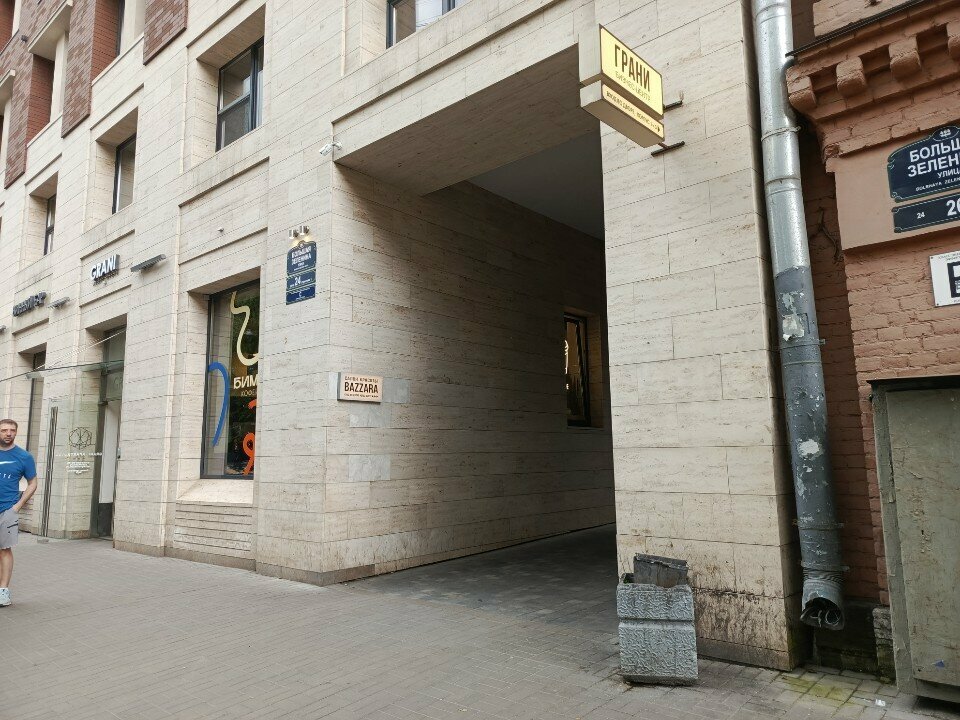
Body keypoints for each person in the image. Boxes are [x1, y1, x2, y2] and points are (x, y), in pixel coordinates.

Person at [0, 419, 38, 607]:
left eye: (12, 430)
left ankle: (3, 592)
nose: (8, 433)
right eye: (4, 430)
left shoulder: (24, 457)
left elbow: (33, 483)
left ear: (16, 432)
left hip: (7, 509)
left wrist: (18, 506)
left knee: (4, 550)